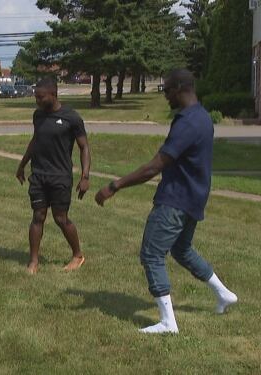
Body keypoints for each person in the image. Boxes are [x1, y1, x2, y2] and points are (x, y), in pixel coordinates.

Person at [94, 69, 238, 334]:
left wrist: (115, 185)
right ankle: (224, 294)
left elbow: (154, 167)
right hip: (195, 196)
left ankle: (168, 322)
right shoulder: (203, 117)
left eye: (167, 90)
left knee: (151, 254)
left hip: (176, 199)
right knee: (182, 250)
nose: (166, 96)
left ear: (180, 88)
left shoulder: (187, 123)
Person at [16, 77, 91, 275]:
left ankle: (77, 255)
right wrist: (22, 165)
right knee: (37, 216)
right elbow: (35, 141)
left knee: (60, 218)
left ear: (53, 94)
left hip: (60, 176)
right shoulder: (38, 116)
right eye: (36, 97)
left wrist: (85, 176)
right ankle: (33, 261)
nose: (37, 101)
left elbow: (84, 147)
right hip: (39, 174)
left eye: (40, 97)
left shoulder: (72, 117)